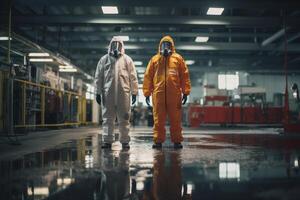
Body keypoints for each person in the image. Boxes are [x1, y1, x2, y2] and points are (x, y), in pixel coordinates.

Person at [143, 35, 191, 149]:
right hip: (158, 95)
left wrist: (186, 91)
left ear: (172, 46)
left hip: (174, 95)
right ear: (160, 46)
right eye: (163, 45)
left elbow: (184, 76)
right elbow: (148, 77)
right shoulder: (154, 60)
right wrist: (147, 92)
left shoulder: (178, 59)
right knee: (158, 120)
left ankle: (177, 141)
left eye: (168, 45)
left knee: (176, 120)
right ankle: (158, 141)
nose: (165, 47)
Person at [95, 36, 138, 149]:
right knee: (107, 119)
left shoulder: (127, 60)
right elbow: (98, 77)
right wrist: (97, 92)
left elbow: (133, 77)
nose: (116, 47)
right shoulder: (104, 60)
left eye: (118, 45)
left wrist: (134, 92)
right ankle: (107, 141)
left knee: (124, 118)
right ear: (110, 46)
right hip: (107, 94)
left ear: (122, 46)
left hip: (123, 94)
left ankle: (125, 141)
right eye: (113, 45)